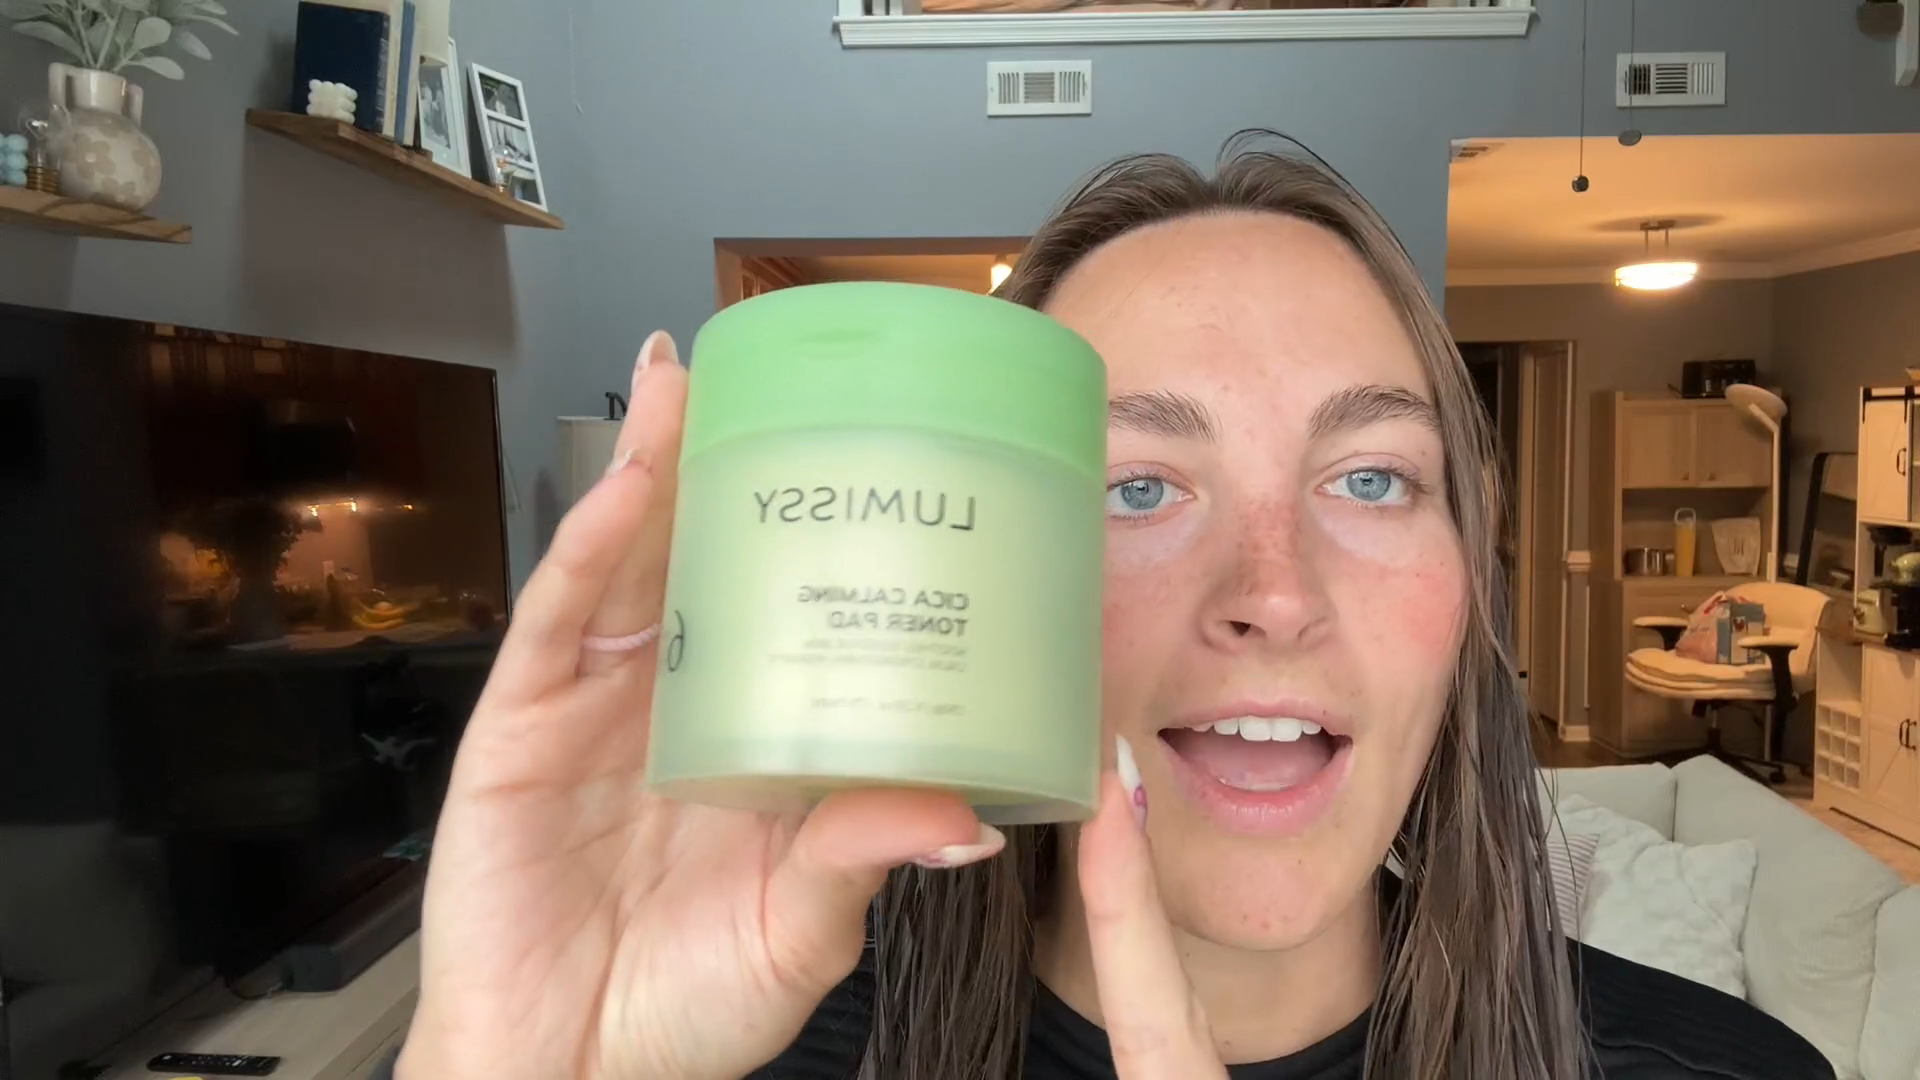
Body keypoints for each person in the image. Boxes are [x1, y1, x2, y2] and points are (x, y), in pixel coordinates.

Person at [394, 133, 1833, 1080]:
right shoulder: (739, 1049)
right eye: (1135, 487)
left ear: (1472, 577)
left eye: (1372, 480)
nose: (1273, 595)